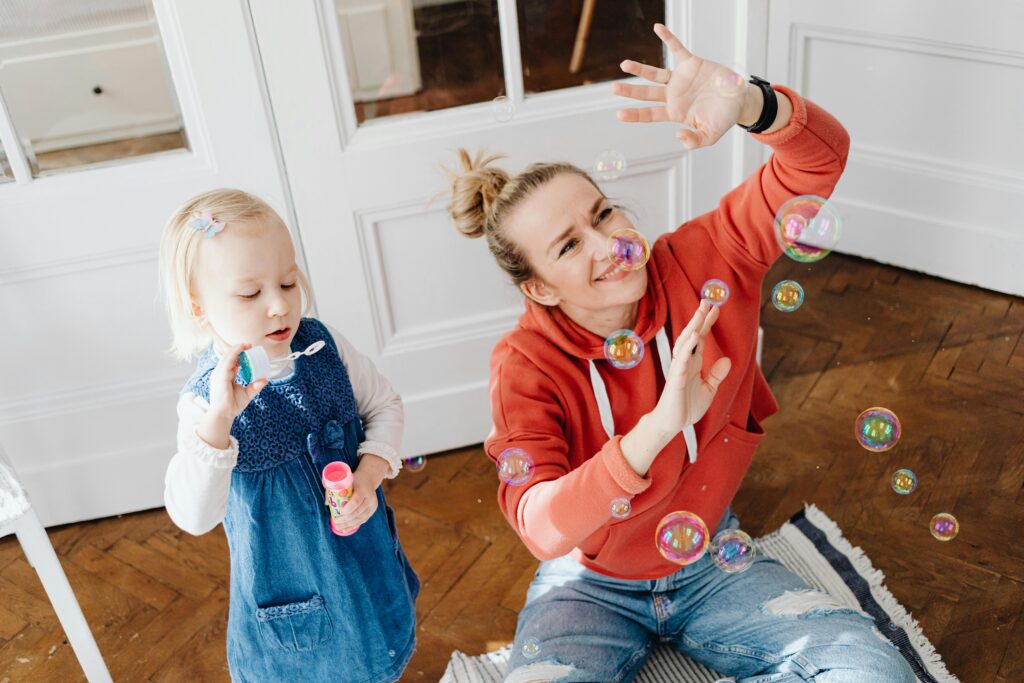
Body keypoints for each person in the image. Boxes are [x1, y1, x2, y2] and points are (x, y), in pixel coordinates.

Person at [447, 23, 915, 683]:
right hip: (587, 580)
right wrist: (659, 427)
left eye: (603, 214)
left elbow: (817, 163)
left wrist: (748, 100)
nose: (609, 243)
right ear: (539, 287)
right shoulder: (523, 363)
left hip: (713, 560)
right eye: (568, 245)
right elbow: (541, 525)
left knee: (873, 672)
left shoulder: (706, 258)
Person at [158, 189, 418, 682]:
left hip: (364, 557)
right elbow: (194, 516)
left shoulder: (323, 345)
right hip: (294, 594)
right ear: (198, 308)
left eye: (288, 282)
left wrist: (368, 474)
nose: (280, 305)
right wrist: (219, 423)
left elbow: (385, 406)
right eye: (251, 294)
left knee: (378, 650)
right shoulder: (203, 405)